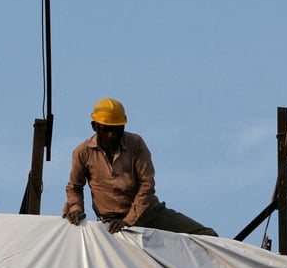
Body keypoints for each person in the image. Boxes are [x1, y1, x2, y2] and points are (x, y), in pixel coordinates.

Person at [63, 97, 217, 236]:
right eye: (106, 129)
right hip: (111, 221)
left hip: (148, 213)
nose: (112, 135)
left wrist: (129, 220)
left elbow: (147, 185)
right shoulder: (83, 152)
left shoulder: (135, 144)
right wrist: (76, 209)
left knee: (207, 236)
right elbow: (74, 187)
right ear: (94, 126)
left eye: (116, 129)